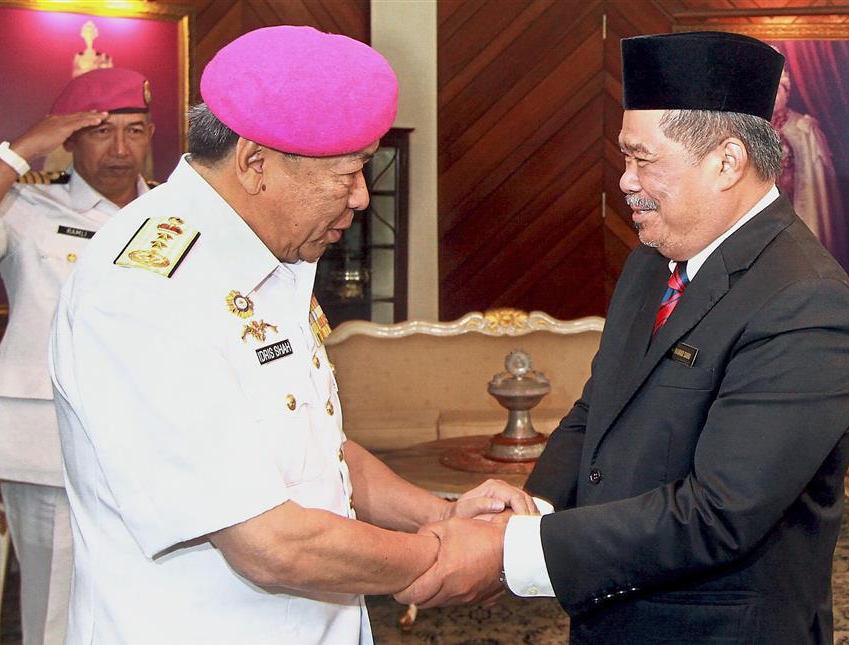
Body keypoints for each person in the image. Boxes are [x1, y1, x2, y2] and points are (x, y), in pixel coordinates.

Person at [47, 25, 534, 644]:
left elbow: (315, 449)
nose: (361, 197)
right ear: (255, 163)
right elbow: (268, 543)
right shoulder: (148, 290)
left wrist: (440, 514)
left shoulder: (269, 257)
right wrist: (442, 556)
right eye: (349, 172)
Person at [396, 31, 849, 644]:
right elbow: (598, 410)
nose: (625, 181)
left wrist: (516, 551)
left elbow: (720, 514)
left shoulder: (804, 300)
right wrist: (534, 507)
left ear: (727, 162)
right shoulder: (653, 260)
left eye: (643, 160)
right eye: (625, 158)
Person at [0, 67, 156, 645]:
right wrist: (21, 150)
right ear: (69, 139)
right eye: (101, 132)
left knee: (154, 606)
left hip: (154, 440)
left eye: (135, 130)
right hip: (47, 439)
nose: (121, 149)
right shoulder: (26, 206)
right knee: (54, 608)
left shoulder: (174, 215)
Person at [772, 63, 849, 270]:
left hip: (798, 210)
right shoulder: (747, 131)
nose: (774, 96)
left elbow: (818, 188)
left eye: (779, 90)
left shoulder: (805, 129)